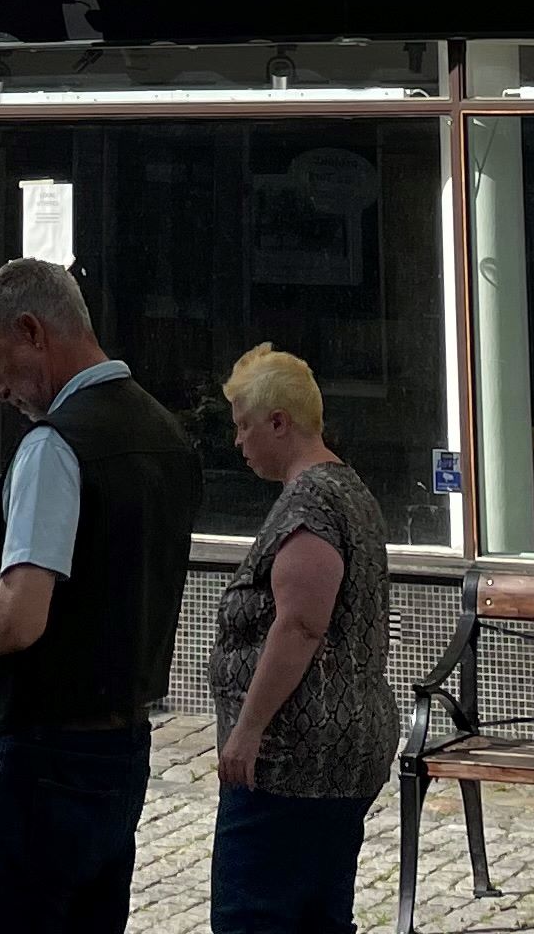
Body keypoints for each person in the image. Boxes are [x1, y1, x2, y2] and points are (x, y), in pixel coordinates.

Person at [0, 257, 203, 934]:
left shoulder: (55, 446)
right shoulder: (166, 435)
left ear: (34, 331)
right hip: (125, 750)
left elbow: (18, 616)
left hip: (47, 759)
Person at [204, 346, 399, 934]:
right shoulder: (349, 488)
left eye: (243, 425)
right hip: (339, 750)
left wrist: (247, 731)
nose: (238, 441)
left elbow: (300, 624)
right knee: (317, 914)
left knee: (253, 916)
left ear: (278, 422)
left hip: (293, 761)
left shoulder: (310, 501)